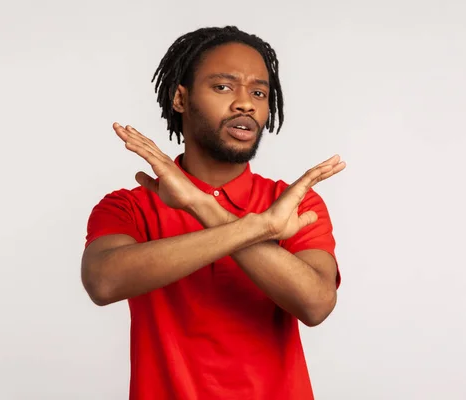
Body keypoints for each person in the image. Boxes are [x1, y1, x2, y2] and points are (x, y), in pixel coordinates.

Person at [81, 26, 346, 400]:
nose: (245, 104)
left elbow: (316, 303)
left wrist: (201, 205)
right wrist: (261, 228)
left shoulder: (293, 204)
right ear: (180, 98)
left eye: (258, 92)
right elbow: (103, 282)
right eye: (223, 87)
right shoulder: (130, 206)